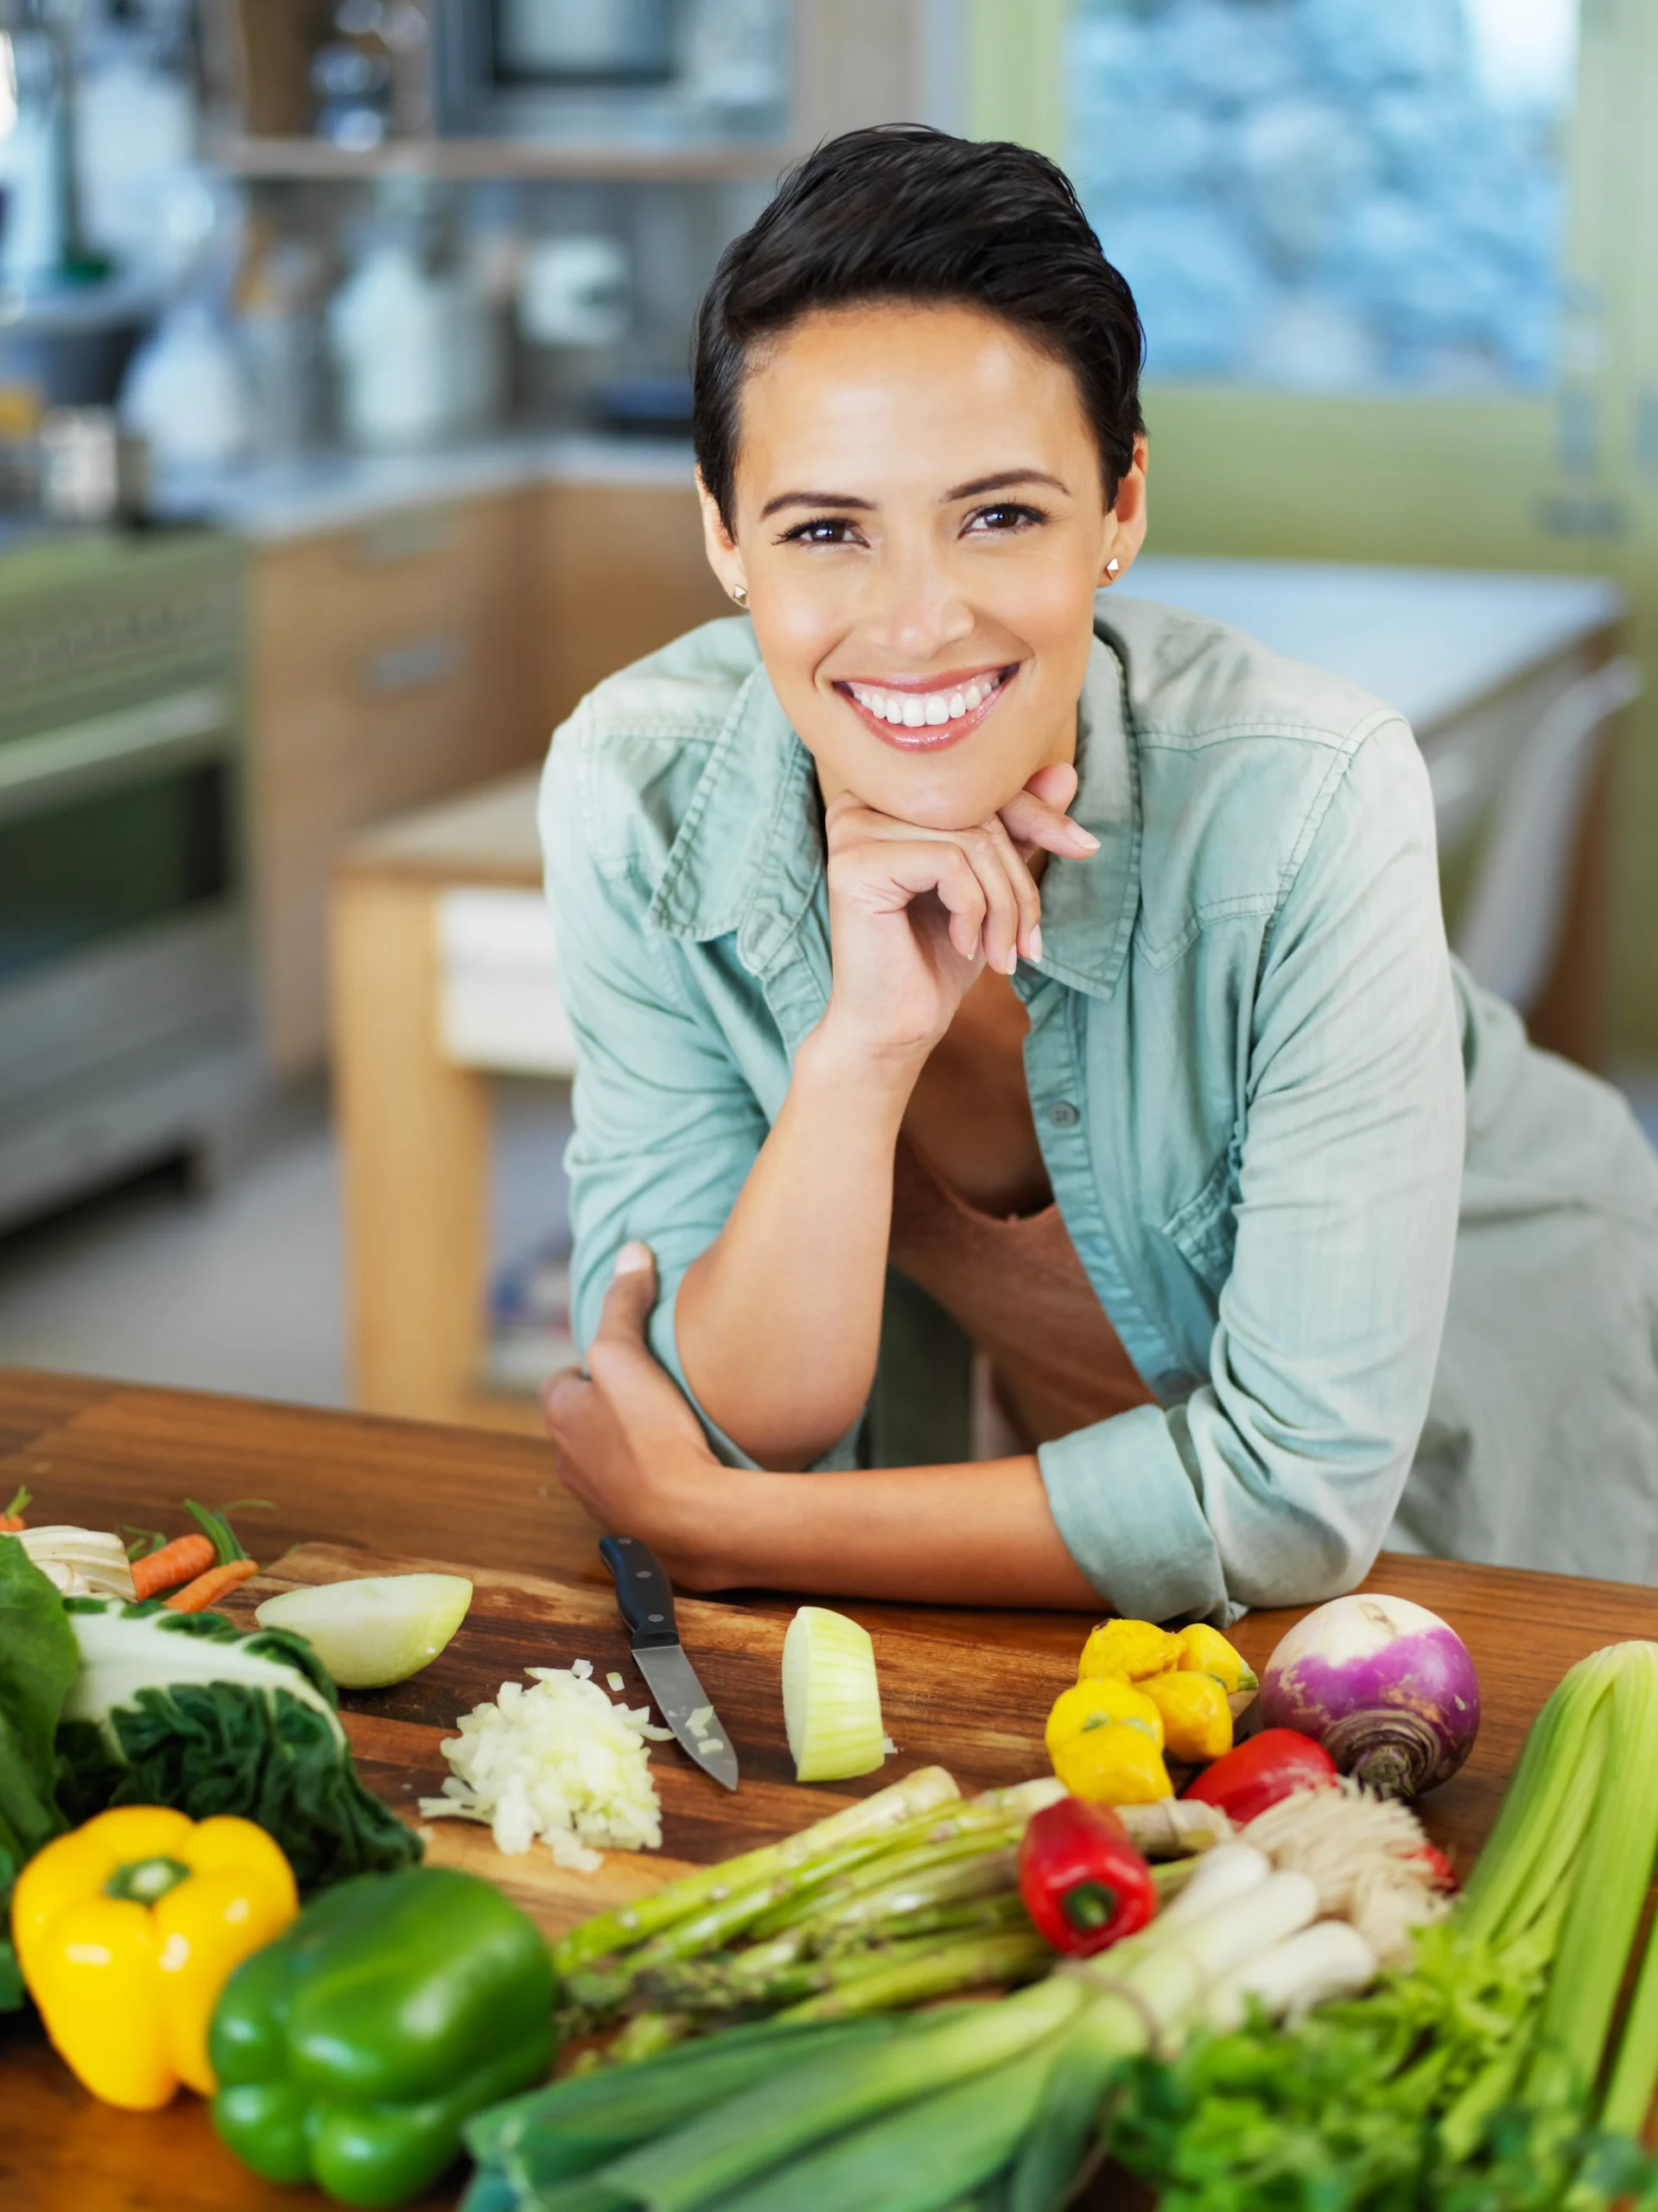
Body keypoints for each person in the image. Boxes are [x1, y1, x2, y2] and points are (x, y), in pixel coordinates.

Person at [537, 124, 1658, 1621]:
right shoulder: (634, 789)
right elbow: (724, 1421)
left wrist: (734, 1534)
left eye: (998, 515)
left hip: (1487, 1461)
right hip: (1088, 1531)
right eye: (825, 531)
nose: (918, 622)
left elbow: (1294, 1499)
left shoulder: (1309, 795)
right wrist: (863, 1050)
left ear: (1119, 507)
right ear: (724, 535)